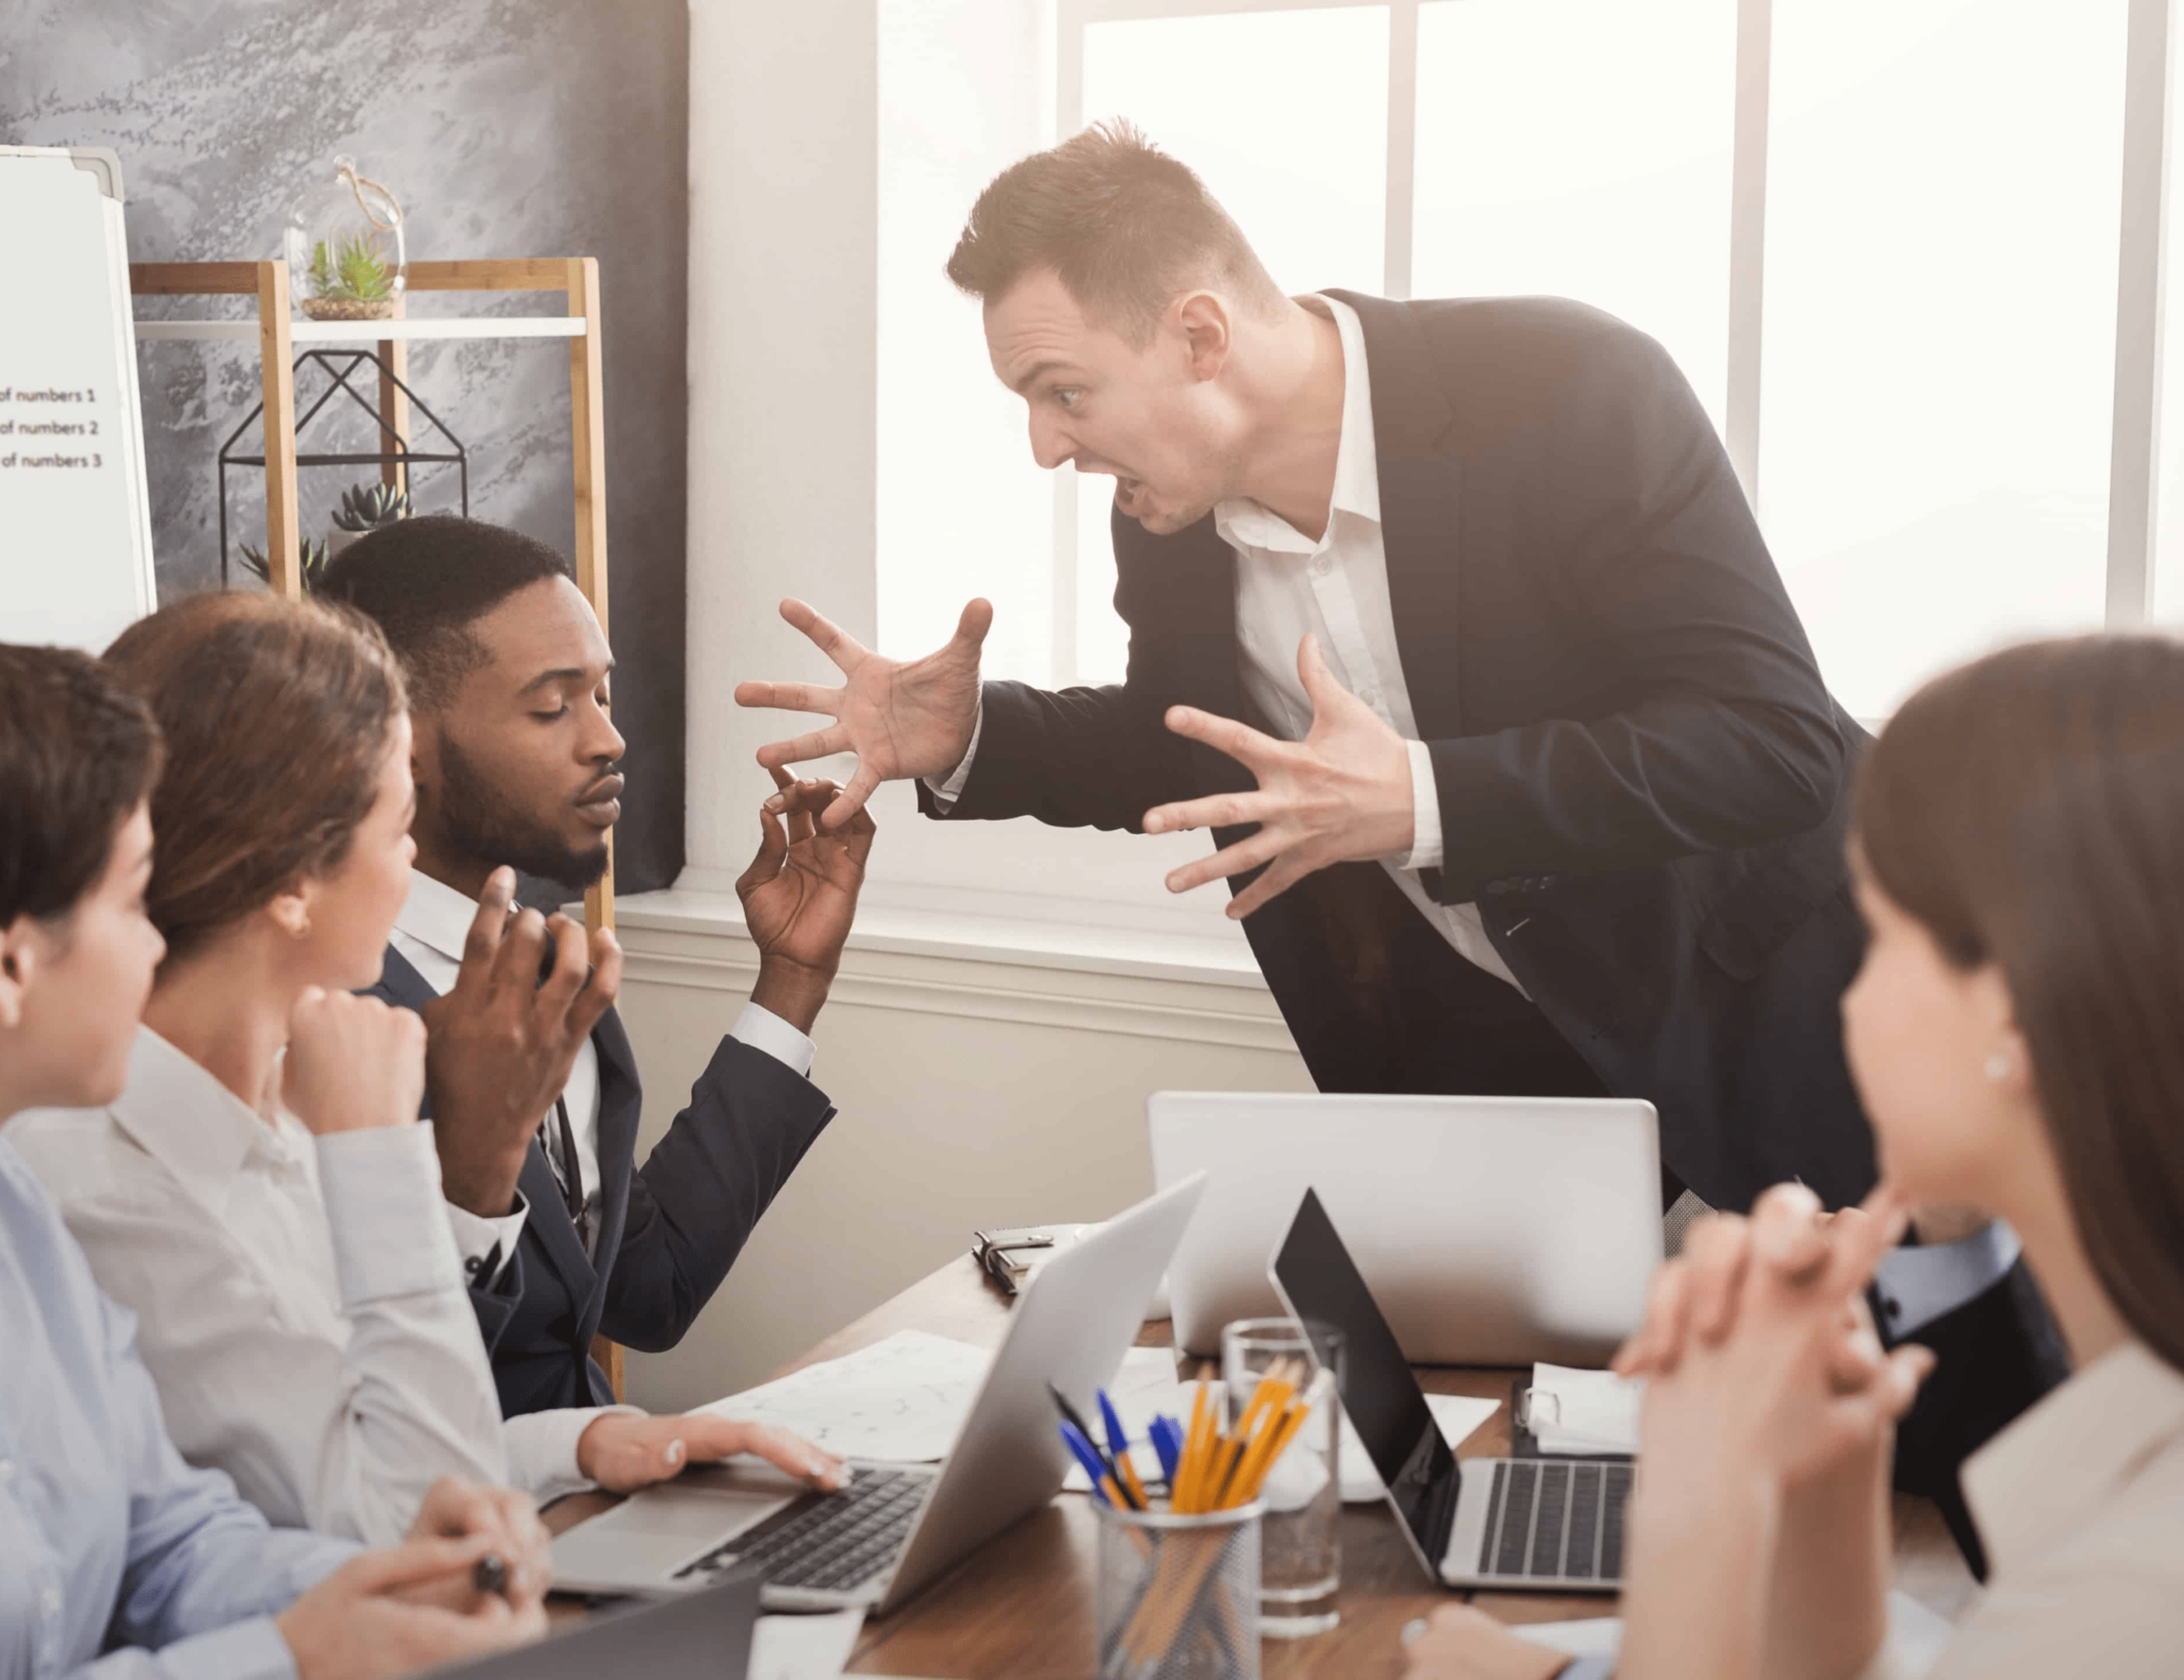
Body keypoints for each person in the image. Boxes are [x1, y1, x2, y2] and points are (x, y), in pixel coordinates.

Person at [732, 119, 2061, 1542]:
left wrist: (1424, 798)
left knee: (1983, 1488)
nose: (1048, 445)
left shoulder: (1570, 386)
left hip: (1781, 1012)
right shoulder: (1165, 512)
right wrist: (970, 733)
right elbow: (1183, 742)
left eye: (1064, 393)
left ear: (1197, 335)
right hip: (1503, 1089)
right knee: (1515, 1509)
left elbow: (1772, 738)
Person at [0, 628, 551, 1680]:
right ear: (6, 963)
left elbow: (167, 1540)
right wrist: (286, 1656)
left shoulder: (3, 1212)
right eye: (133, 900)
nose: (156, 940)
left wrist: (384, 1593)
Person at [1403, 633, 2184, 1680]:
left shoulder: (2136, 1587)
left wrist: (1701, 1487)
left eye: (1879, 929)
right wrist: (1823, 1476)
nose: (1847, 990)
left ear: (2006, 1004)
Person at [9, 594, 847, 1551]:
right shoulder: (110, 1185)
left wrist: (595, 1438)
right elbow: (395, 1522)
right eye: (396, 825)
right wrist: (386, 1164)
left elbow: (399, 1439)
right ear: (292, 879)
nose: (408, 864)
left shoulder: (287, 1092)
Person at [314, 518, 875, 1416]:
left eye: (604, 697)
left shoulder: (546, 974)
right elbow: (357, 1400)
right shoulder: (325, 1010)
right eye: (552, 705)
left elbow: (647, 1292)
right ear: (396, 736)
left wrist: (792, 981)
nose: (608, 739)